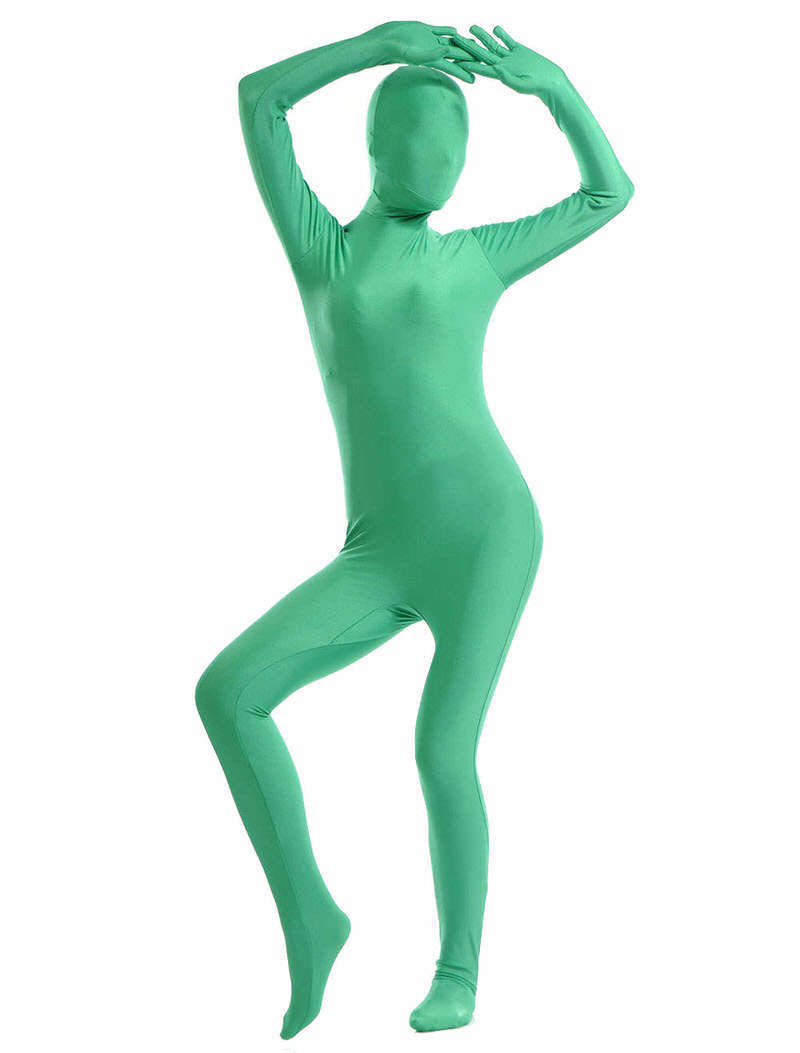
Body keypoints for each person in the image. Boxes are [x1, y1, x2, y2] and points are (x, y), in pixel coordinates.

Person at [196, 21, 633, 1039]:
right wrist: (375, 43)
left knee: (441, 748)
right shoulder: (323, 249)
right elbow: (259, 98)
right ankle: (313, 918)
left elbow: (607, 193)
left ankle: (457, 973)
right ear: (376, 147)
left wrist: (555, 87)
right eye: (421, 140)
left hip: (489, 532)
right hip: (376, 551)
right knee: (229, 692)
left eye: (457, 146)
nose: (441, 162)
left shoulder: (477, 255)